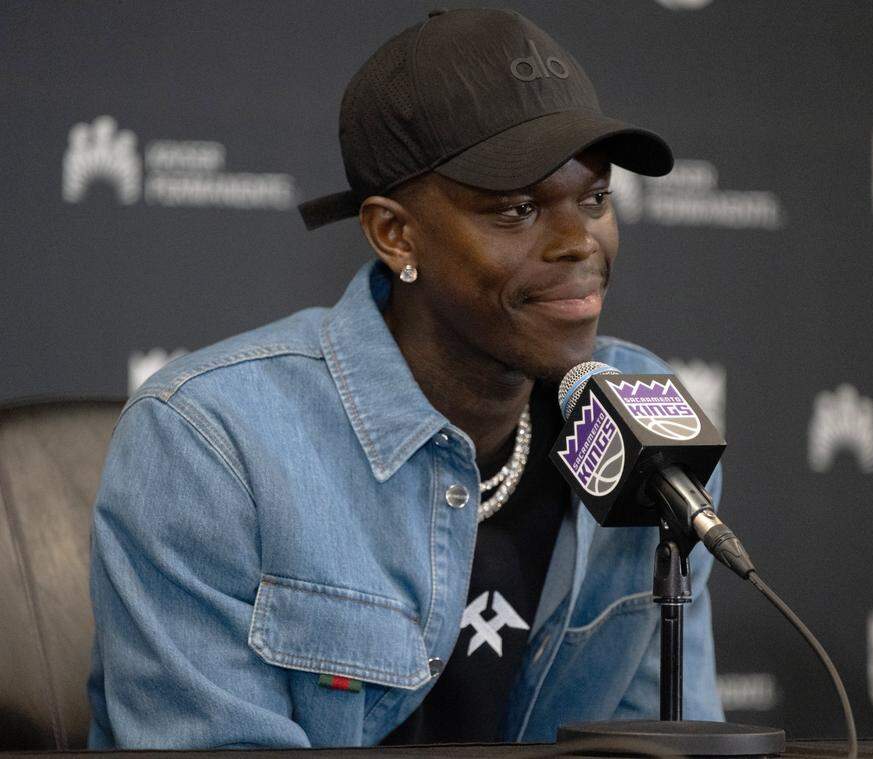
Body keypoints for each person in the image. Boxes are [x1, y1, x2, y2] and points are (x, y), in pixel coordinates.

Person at [87, 7, 724, 748]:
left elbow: (661, 734)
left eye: (595, 199)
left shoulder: (644, 418)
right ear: (396, 233)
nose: (580, 242)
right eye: (518, 209)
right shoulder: (210, 443)